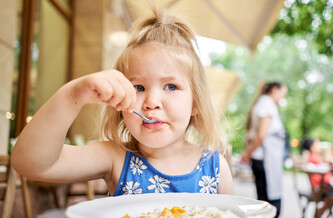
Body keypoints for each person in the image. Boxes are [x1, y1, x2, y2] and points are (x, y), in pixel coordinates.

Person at [11, 6, 233, 197]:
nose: (152, 102)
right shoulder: (114, 157)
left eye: (171, 86)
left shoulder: (215, 168)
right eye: (138, 88)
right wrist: (71, 96)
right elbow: (29, 163)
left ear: (196, 103)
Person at [241, 82, 288, 218]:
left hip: (264, 158)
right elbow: (262, 134)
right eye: (282, 94)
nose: (281, 99)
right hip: (263, 159)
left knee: (264, 197)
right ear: (275, 89)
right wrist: (247, 154)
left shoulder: (264, 103)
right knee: (267, 202)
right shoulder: (266, 104)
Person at [300, 137, 333, 218]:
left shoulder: (315, 157)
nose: (320, 146)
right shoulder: (314, 157)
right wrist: (328, 159)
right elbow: (324, 169)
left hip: (319, 187)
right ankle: (318, 216)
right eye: (317, 144)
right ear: (312, 147)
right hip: (320, 188)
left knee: (332, 197)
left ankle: (317, 216)